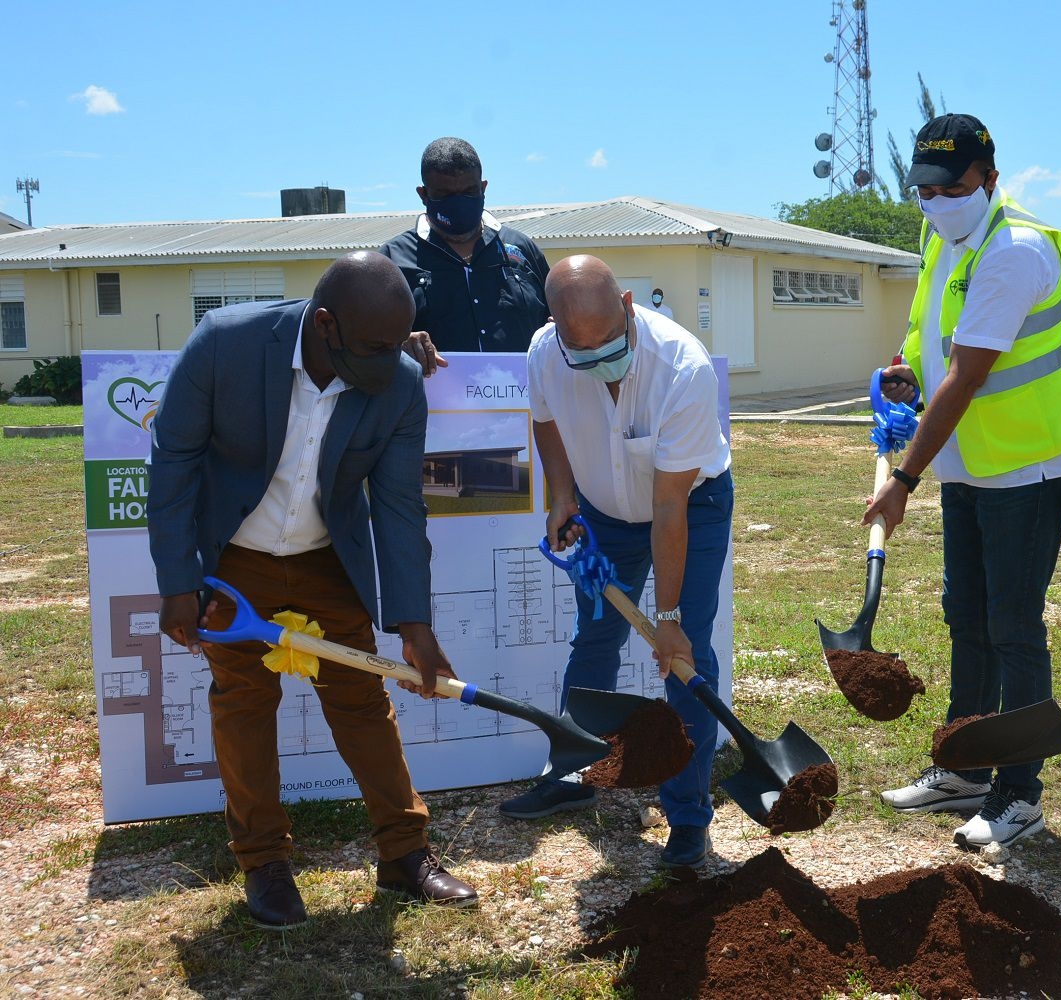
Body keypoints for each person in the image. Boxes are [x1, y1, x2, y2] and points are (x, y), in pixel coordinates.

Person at [147, 251, 479, 929]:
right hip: (235, 561)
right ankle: (264, 862)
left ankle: (404, 854)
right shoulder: (226, 345)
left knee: (361, 698)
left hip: (329, 560)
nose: (391, 364)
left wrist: (415, 626)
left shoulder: (399, 384)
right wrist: (178, 582)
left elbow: (398, 509)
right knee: (243, 703)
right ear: (326, 324)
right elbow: (174, 458)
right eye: (375, 347)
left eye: (397, 345)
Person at [865, 114, 1061, 849]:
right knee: (966, 613)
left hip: (1027, 465)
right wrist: (905, 371)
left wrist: (903, 477)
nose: (935, 201)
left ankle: (1020, 792)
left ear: (990, 179)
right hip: (973, 463)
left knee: (1014, 627)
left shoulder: (1015, 250)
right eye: (923, 189)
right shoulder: (941, 235)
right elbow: (930, 335)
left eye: (952, 187)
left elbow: (966, 377)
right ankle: (965, 765)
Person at [499, 255, 733, 869]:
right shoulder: (545, 351)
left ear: (629, 306)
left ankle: (687, 817)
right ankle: (576, 773)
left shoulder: (682, 366)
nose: (598, 359)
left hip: (691, 504)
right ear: (554, 327)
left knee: (686, 655)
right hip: (602, 511)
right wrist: (561, 495)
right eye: (583, 351)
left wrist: (669, 614)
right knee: (596, 638)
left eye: (609, 343)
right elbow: (545, 421)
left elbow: (668, 504)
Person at [379, 136, 550, 373]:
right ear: (423, 194)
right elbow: (365, 344)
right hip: (431, 408)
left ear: (483, 188)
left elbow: (555, 326)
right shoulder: (392, 260)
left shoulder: (522, 249)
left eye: (469, 192)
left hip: (524, 406)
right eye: (445, 195)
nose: (458, 204)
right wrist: (398, 343)